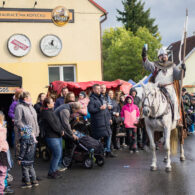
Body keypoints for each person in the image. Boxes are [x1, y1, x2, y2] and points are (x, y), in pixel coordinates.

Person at [142, 46, 186, 125]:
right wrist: (144, 55)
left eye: (165, 55)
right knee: (149, 99)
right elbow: (146, 64)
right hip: (158, 88)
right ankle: (147, 118)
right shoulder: (155, 65)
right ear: (159, 57)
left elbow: (179, 76)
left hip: (169, 88)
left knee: (174, 101)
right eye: (161, 55)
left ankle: (176, 119)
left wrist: (183, 70)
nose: (163, 57)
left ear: (167, 56)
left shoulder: (172, 65)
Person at [40, 98, 65, 179]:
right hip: (52, 136)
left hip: (57, 136)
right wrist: (60, 131)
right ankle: (51, 173)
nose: (54, 102)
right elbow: (52, 125)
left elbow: (57, 122)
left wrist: (61, 130)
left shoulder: (51, 111)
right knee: (57, 154)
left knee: (57, 154)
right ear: (47, 104)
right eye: (52, 102)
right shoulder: (46, 113)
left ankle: (54, 170)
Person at [88, 84, 116, 157]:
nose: (99, 90)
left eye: (99, 89)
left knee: (109, 134)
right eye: (97, 89)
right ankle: (98, 152)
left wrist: (109, 118)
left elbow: (107, 109)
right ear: (93, 90)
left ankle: (108, 151)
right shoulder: (91, 99)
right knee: (97, 138)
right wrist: (99, 108)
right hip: (98, 122)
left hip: (105, 121)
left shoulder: (102, 97)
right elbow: (90, 110)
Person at [8, 89, 23, 157]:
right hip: (17, 124)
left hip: (25, 125)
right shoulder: (14, 103)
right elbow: (10, 113)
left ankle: (25, 153)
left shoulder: (25, 103)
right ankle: (18, 154)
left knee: (25, 137)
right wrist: (16, 117)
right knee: (17, 139)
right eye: (21, 93)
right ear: (18, 95)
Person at [0, 111, 12, 194]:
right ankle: (2, 189)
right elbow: (2, 140)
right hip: (2, 151)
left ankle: (3, 187)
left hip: (3, 150)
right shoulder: (2, 128)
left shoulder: (3, 126)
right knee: (3, 171)